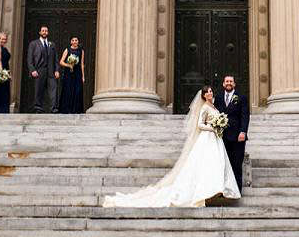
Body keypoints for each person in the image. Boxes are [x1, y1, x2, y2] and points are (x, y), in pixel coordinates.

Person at [102, 86, 240, 207]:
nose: (210, 93)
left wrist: (219, 126)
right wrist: (212, 128)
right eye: (208, 92)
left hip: (215, 139)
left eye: (211, 91)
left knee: (214, 163)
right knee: (206, 164)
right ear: (203, 95)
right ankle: (204, 192)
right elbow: (199, 124)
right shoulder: (204, 107)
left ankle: (214, 190)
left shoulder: (214, 106)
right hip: (207, 137)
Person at [213, 75, 250, 189]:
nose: (229, 83)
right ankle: (225, 189)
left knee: (236, 164)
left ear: (234, 84)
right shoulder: (218, 97)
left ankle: (237, 190)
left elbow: (245, 116)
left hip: (237, 136)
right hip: (222, 136)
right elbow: (215, 114)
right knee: (224, 164)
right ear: (223, 84)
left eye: (231, 81)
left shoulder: (241, 97)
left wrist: (243, 131)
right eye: (227, 81)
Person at [26, 26, 60, 113]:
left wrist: (57, 70)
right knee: (39, 90)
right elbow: (29, 58)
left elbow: (56, 59)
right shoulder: (33, 44)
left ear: (48, 33)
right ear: (40, 33)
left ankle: (54, 108)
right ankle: (38, 107)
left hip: (51, 71)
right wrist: (32, 69)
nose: (44, 32)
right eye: (43, 31)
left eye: (46, 31)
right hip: (39, 70)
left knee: (53, 89)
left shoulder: (52, 44)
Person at [58, 36, 86, 114]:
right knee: (68, 90)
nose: (74, 42)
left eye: (76, 40)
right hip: (69, 74)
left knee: (77, 91)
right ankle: (67, 109)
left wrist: (83, 76)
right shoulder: (67, 49)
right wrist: (69, 65)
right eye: (73, 40)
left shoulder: (81, 51)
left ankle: (76, 110)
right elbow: (61, 62)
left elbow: (82, 64)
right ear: (71, 42)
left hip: (77, 73)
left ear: (78, 41)